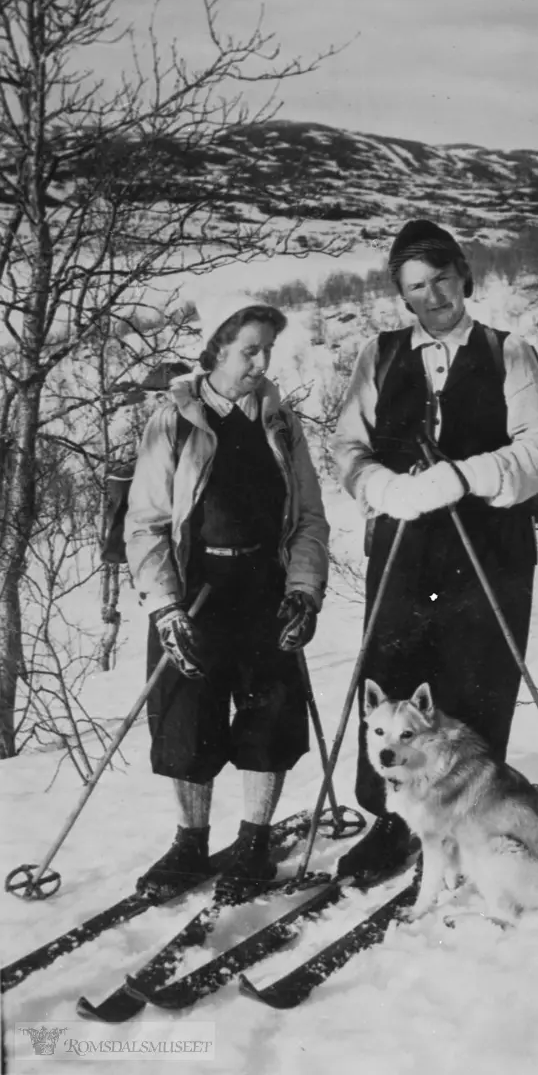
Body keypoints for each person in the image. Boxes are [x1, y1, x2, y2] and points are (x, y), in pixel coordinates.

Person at [332, 219, 538, 884]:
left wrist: (464, 475)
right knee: (395, 684)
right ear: (401, 296)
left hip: (489, 545)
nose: (432, 297)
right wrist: (384, 488)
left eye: (440, 280)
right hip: (405, 543)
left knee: (475, 683)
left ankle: (470, 825)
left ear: (464, 275)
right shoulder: (378, 356)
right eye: (415, 287)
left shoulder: (508, 352)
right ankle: (392, 824)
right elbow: (349, 447)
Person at [124, 297, 329, 900]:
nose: (261, 362)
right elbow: (147, 524)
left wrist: (303, 591)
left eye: (268, 349)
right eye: (249, 350)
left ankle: (255, 842)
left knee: (271, 715)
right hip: (196, 593)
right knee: (188, 720)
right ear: (216, 349)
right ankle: (190, 843)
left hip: (264, 588)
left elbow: (310, 519)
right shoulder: (175, 420)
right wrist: (165, 607)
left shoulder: (280, 422)